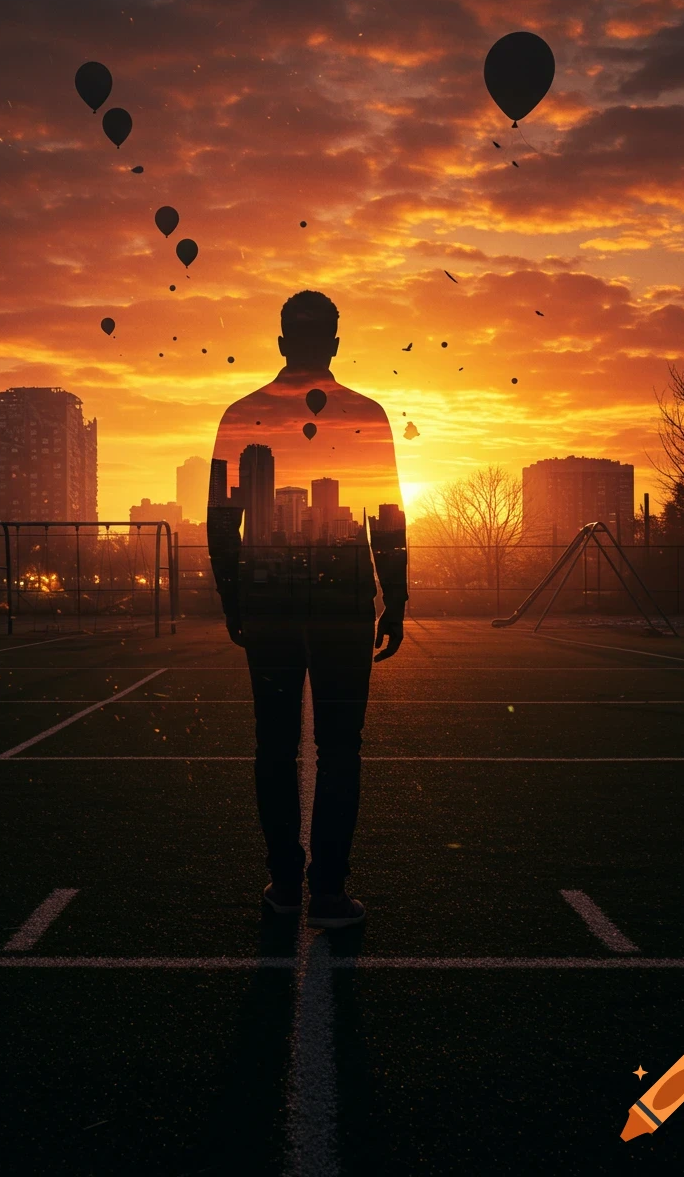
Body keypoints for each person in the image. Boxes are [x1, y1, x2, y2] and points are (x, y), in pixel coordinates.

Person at [207, 290, 407, 928]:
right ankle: (327, 890)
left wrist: (232, 597)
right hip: (345, 606)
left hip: (268, 605)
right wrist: (394, 597)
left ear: (282, 342)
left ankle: (285, 883)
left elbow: (219, 520)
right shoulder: (367, 415)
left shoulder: (240, 413)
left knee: (275, 745)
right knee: (341, 747)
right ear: (336, 344)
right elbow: (388, 517)